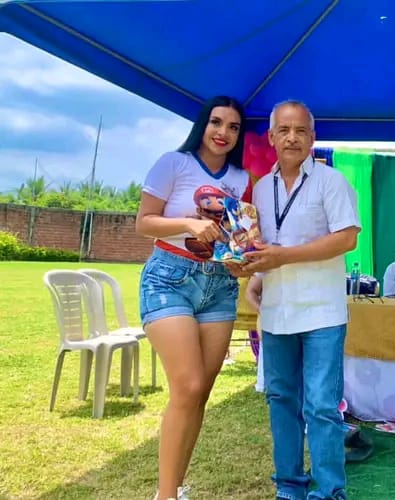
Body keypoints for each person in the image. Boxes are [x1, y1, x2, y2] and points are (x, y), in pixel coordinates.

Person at [229, 100, 360, 500]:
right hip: (276, 311)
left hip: (322, 312)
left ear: (312, 137)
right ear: (271, 137)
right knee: (281, 399)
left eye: (301, 130)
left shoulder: (331, 182)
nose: (292, 138)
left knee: (321, 406)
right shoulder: (260, 190)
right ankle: (289, 486)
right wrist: (253, 273)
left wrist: (282, 257)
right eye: (284, 130)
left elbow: (346, 238)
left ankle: (330, 491)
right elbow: (262, 246)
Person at [136, 95, 251, 500]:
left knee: (199, 392)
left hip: (219, 285)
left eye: (233, 127)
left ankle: (175, 486)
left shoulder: (241, 179)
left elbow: (238, 237)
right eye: (216, 122)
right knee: (187, 385)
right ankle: (165, 495)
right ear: (203, 124)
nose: (223, 133)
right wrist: (188, 222)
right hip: (169, 278)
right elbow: (143, 222)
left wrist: (242, 262)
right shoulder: (174, 163)